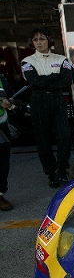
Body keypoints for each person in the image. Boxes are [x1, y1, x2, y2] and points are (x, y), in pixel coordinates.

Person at [21, 27, 74, 188]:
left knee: (64, 136)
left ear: (49, 41)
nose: (39, 42)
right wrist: (55, 77)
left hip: (57, 99)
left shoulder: (61, 59)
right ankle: (51, 173)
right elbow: (34, 81)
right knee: (43, 139)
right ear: (32, 43)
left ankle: (62, 170)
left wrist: (46, 80)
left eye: (42, 39)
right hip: (39, 100)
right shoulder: (27, 61)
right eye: (35, 39)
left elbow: (67, 80)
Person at [0, 72, 18, 210]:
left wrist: (10, 103)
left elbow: (14, 98)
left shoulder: (1, 78)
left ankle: (0, 194)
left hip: (1, 125)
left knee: (3, 161)